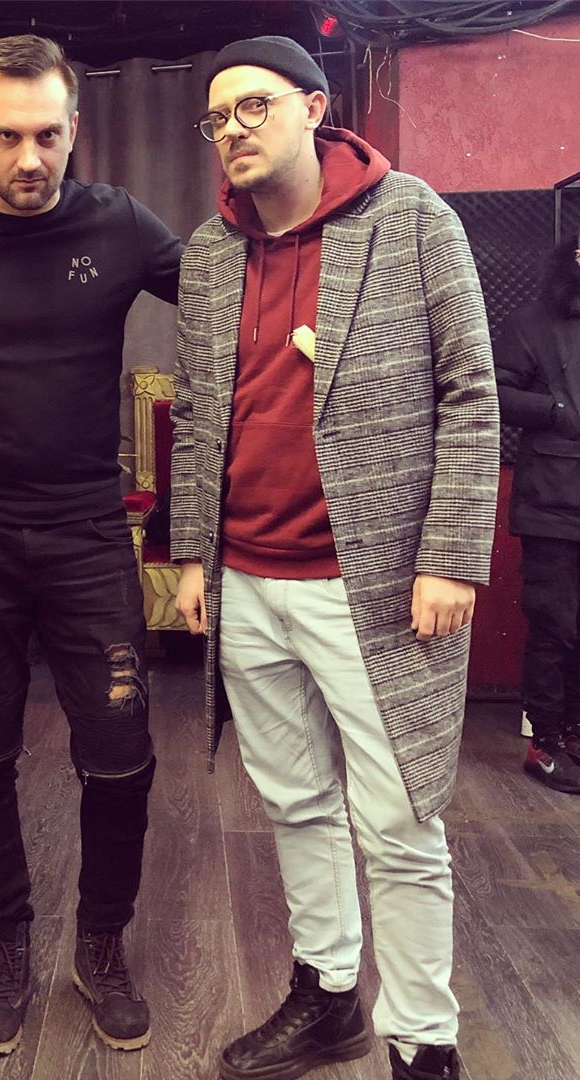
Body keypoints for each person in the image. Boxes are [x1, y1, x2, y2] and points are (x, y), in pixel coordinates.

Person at [171, 36, 498, 1080]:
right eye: (217, 118)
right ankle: (327, 996)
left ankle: (423, 1042)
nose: (233, 130)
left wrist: (453, 555)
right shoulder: (209, 252)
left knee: (400, 822)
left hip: (377, 583)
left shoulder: (412, 219)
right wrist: (192, 559)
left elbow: (470, 390)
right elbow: (197, 417)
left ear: (314, 108)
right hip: (246, 579)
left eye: (253, 107)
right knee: (295, 801)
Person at [0, 34, 183, 1059]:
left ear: (74, 130)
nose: (29, 157)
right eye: (8, 136)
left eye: (48, 135)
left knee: (122, 753)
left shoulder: (120, 223)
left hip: (87, 529)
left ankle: (102, 943)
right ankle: (4, 943)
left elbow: (237, 288)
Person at [496, 233, 580, 794]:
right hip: (551, 505)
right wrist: (556, 411)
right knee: (555, 626)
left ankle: (573, 734)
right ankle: (545, 743)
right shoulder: (531, 322)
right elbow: (495, 393)